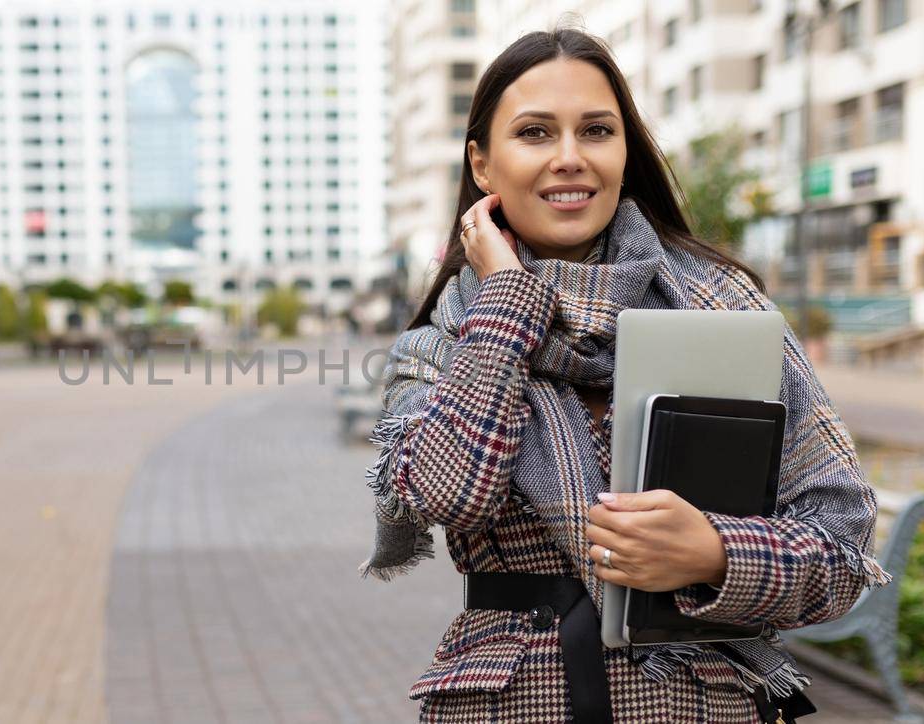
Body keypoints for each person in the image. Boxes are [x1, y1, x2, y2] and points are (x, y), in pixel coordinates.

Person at [359, 27, 887, 723]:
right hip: (510, 705)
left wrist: (715, 553)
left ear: (624, 150)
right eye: (536, 133)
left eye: (597, 130)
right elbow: (450, 494)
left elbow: (842, 546)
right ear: (482, 166)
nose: (570, 158)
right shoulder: (440, 344)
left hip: (700, 704)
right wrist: (509, 302)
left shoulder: (727, 311)